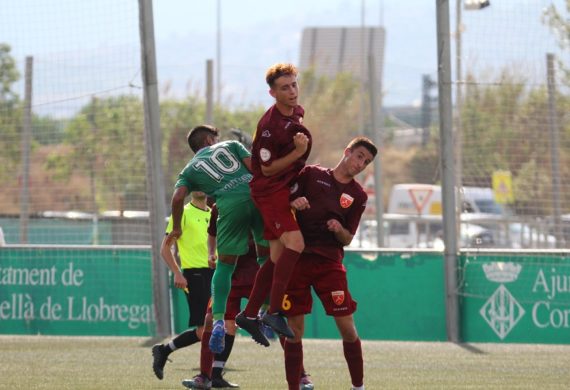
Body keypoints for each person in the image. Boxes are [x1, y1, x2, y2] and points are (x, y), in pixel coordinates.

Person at [283, 136, 378, 390]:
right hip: (297, 259)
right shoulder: (311, 174)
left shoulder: (357, 195)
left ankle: (358, 386)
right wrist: (294, 203)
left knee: (347, 327)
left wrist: (339, 229)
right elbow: (282, 202)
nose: (361, 164)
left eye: (366, 162)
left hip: (329, 264)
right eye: (359, 156)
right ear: (347, 152)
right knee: (294, 330)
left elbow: (348, 238)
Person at [168, 125, 270, 355]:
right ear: (208, 140)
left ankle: (218, 322)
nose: (218, 140)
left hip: (229, 207)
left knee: (224, 265)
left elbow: (177, 198)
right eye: (215, 137)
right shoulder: (232, 145)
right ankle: (265, 312)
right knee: (266, 258)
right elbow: (258, 171)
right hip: (256, 198)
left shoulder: (189, 170)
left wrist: (176, 227)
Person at [236, 63, 312, 339]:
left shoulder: (296, 112)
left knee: (277, 256)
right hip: (270, 191)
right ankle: (274, 312)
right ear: (272, 93)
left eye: (294, 84)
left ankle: (249, 313)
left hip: (282, 188)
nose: (292, 91)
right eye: (284, 87)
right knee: (297, 244)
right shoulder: (269, 127)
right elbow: (266, 169)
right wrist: (299, 152)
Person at [152, 191, 212, 381]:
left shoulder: (214, 213)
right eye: (196, 184)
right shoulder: (182, 213)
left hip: (215, 274)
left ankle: (164, 350)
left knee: (217, 327)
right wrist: (177, 272)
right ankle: (210, 374)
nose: (200, 188)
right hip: (194, 275)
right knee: (205, 330)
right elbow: (165, 248)